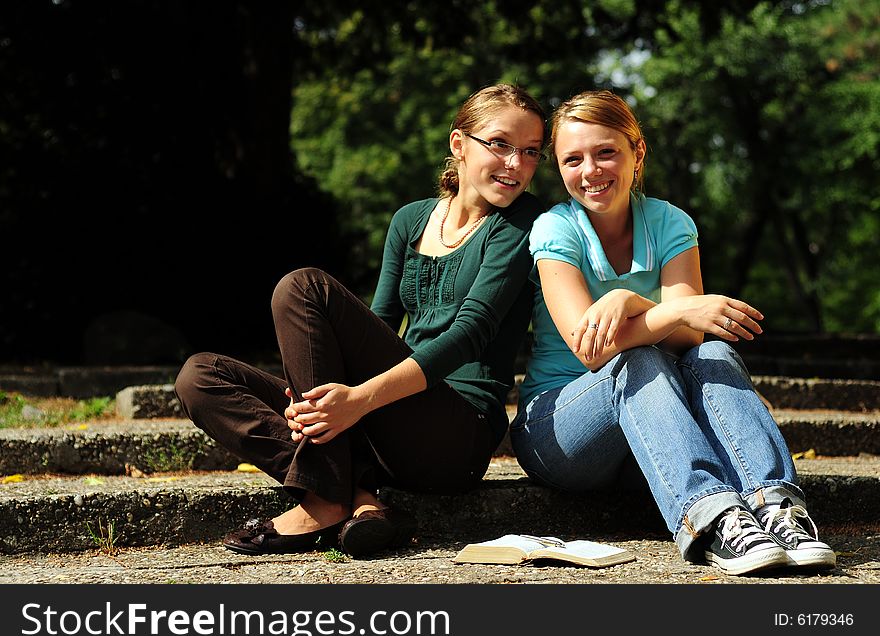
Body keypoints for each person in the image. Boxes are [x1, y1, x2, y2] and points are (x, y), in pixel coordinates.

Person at [174, 83, 547, 558]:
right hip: (381, 423)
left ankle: (325, 499)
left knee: (304, 286)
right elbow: (379, 324)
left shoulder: (524, 221)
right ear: (459, 144)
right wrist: (321, 398)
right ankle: (359, 497)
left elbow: (469, 334)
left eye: (531, 151)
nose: (516, 163)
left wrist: (357, 401)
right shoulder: (410, 220)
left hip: (455, 432)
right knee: (200, 377)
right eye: (500, 144)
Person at [510, 89, 836, 576]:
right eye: (572, 159)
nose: (590, 171)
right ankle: (713, 520)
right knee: (635, 360)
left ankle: (777, 509)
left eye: (606, 152)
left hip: (654, 434)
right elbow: (591, 347)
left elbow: (691, 338)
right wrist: (654, 307)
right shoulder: (556, 229)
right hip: (561, 432)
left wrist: (633, 305)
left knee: (715, 357)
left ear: (636, 152)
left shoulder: (668, 222)